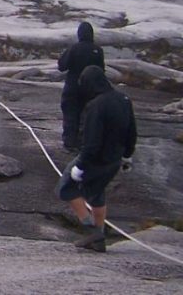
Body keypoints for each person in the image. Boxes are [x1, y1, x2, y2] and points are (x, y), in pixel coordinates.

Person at [57, 65, 136, 253]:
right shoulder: (124, 99)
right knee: (97, 194)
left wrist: (81, 165)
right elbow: (132, 130)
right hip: (114, 159)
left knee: (65, 189)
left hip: (95, 160)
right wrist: (127, 155)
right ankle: (99, 242)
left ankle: (92, 230)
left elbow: (91, 141)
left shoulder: (96, 105)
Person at [58, 21, 105, 152]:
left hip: (73, 87)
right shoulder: (98, 50)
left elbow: (62, 66)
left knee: (70, 113)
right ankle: (83, 142)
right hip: (90, 89)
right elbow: (101, 70)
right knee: (86, 115)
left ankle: (69, 143)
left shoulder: (74, 48)